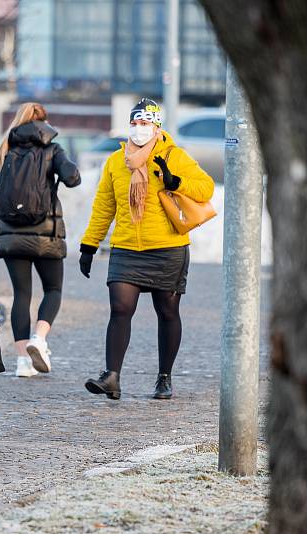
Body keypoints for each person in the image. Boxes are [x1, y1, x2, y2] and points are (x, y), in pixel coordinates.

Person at [79, 98, 214, 400]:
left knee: (167, 312)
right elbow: (104, 206)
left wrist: (174, 180)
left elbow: (205, 188)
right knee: (120, 309)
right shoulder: (115, 162)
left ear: (156, 126)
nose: (139, 129)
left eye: (145, 123)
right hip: (126, 248)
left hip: (167, 248)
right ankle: (111, 376)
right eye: (135, 123)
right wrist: (89, 244)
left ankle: (164, 377)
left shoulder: (173, 156)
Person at [0, 103, 81, 377]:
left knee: (21, 295)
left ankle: (23, 362)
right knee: (53, 290)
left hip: (11, 236)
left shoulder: (4, 149)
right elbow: (73, 178)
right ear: (44, 123)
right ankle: (40, 337)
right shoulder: (53, 149)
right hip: (46, 233)